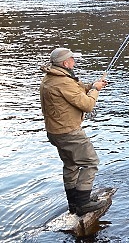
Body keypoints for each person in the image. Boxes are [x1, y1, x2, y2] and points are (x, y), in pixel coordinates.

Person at [40, 47, 108, 216]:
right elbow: (87, 105)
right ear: (65, 63)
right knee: (90, 162)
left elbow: (75, 89)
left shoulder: (52, 77)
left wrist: (91, 85)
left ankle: (74, 203)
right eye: (72, 59)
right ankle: (83, 204)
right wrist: (96, 90)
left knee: (70, 165)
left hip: (55, 132)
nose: (74, 62)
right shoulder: (62, 82)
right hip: (69, 133)